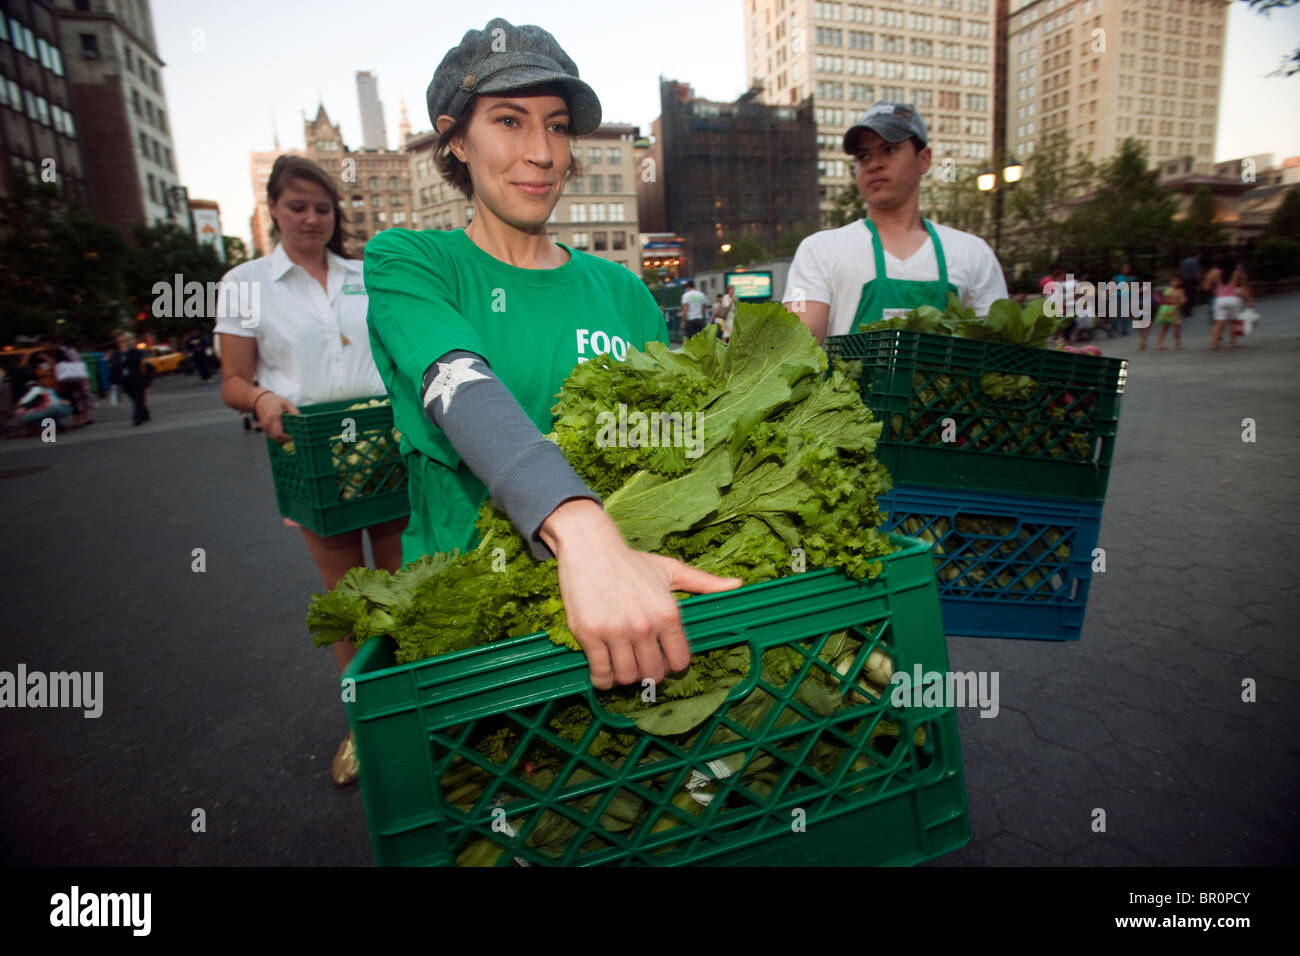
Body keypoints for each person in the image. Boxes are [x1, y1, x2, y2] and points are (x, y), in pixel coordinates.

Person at [364, 17, 742, 697]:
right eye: (509, 121)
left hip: (623, 602)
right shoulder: (411, 262)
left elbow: (669, 443)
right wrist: (581, 527)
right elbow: (458, 384)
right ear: (455, 138)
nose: (542, 152)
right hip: (470, 617)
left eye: (559, 125)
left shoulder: (622, 291)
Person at [214, 154, 407, 787]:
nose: (311, 218)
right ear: (273, 209)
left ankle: (419, 709)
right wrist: (263, 399)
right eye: (297, 206)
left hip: (381, 441)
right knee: (347, 598)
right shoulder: (245, 283)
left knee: (404, 585)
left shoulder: (366, 273)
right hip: (310, 449)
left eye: (322, 208)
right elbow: (234, 383)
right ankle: (366, 725)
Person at [783, 101, 1007, 342]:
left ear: (924, 159)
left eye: (889, 149)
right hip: (844, 382)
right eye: (863, 156)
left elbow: (995, 349)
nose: (874, 163)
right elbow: (798, 346)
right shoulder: (819, 250)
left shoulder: (972, 253)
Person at [1203, 255, 1254, 351]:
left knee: (1218, 323)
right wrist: (1250, 300)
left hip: (1220, 299)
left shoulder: (1214, 273)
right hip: (1234, 299)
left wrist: (1212, 285)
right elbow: (1245, 287)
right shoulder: (1238, 273)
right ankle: (1232, 343)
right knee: (1233, 322)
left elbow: (1206, 287)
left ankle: (1214, 344)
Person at [109, 331, 153, 425]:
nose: (122, 343)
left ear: (128, 341)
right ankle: (144, 412)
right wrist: (114, 382)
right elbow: (114, 368)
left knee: (138, 399)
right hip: (125, 381)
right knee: (135, 399)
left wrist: (147, 380)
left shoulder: (135, 352)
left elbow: (146, 365)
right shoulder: (116, 354)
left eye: (124, 341)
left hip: (137, 378)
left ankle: (137, 418)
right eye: (120, 341)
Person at [53, 343, 94, 426]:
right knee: (79, 398)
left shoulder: (59, 351)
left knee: (73, 399)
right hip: (75, 379)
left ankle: (79, 419)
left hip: (67, 380)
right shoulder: (70, 351)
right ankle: (85, 417)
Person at [1146, 275, 1186, 351]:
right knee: (1165, 328)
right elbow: (1165, 300)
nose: (1174, 283)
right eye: (1173, 281)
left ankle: (1178, 344)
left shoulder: (1181, 291)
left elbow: (1183, 300)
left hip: (1176, 312)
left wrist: (1180, 302)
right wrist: (1175, 301)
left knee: (1177, 329)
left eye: (1177, 281)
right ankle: (1159, 344)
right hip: (1169, 311)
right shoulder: (1169, 290)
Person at [1109, 262, 1135, 337]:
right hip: (1117, 296)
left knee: (1125, 315)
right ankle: (1114, 329)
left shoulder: (1133, 278)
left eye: (1128, 268)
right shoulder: (1117, 277)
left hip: (1127, 297)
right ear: (1122, 269)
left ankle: (1125, 330)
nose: (1126, 269)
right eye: (1125, 268)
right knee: (1115, 314)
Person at [1178, 252, 1202, 322]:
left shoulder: (1183, 261)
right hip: (1191, 280)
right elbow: (1197, 273)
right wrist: (1199, 281)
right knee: (1190, 295)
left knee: (1184, 294)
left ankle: (1183, 309)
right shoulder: (1195, 261)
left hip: (1183, 279)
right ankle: (1187, 311)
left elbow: (1180, 271)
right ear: (1198, 255)